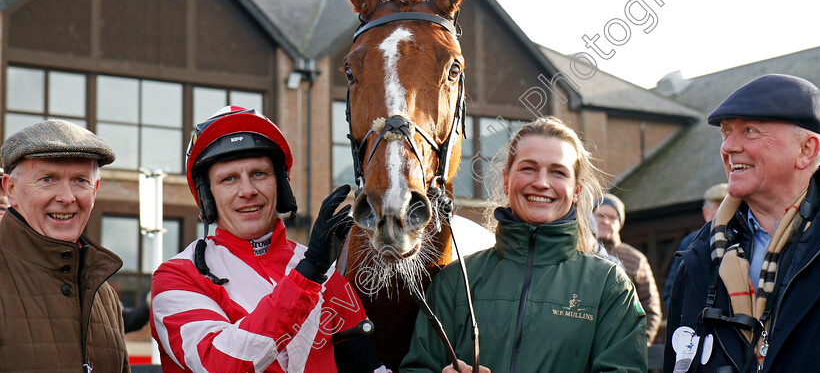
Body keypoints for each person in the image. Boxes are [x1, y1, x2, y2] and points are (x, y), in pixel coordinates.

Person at [151, 106, 389, 373]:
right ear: (207, 198)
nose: (248, 191)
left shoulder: (326, 274)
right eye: (229, 179)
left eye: (259, 174)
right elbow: (218, 364)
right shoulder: (176, 277)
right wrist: (307, 276)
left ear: (281, 185)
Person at [401, 116, 647, 373]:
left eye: (558, 172)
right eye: (528, 168)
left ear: (576, 190)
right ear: (506, 180)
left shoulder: (609, 286)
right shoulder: (454, 282)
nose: (541, 183)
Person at [666, 74, 820, 372]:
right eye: (725, 133)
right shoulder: (698, 257)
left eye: (749, 131)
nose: (729, 147)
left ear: (806, 150)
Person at [0, 119, 129, 371]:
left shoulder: (104, 294)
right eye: (48, 179)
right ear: (11, 189)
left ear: (95, 190)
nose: (67, 197)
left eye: (80, 180)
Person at [596, 193, 662, 346]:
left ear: (620, 223)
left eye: (612, 217)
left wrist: (642, 341)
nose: (606, 221)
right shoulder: (580, 252)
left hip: (621, 342)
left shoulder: (636, 259)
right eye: (600, 215)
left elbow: (651, 306)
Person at [661, 183, 726, 308]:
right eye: (717, 207)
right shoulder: (690, 242)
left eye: (726, 206)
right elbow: (672, 290)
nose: (722, 212)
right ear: (705, 212)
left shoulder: (745, 236)